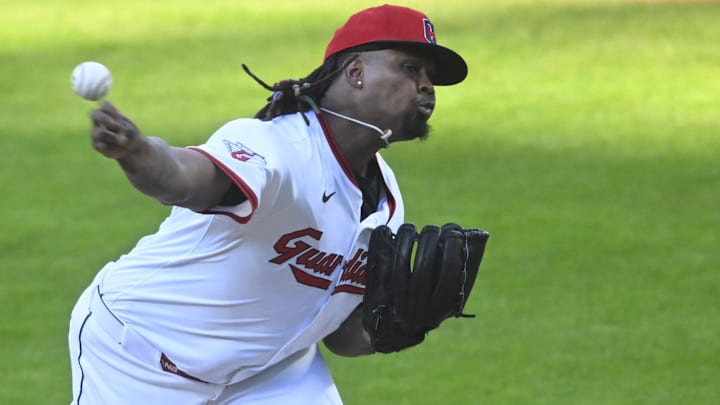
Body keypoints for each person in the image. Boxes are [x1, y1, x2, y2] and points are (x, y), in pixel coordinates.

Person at [68, 4, 468, 404]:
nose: (426, 86)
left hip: (269, 372)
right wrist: (135, 151)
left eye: (430, 77)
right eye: (410, 68)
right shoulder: (277, 147)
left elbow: (342, 335)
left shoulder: (387, 202)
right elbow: (186, 179)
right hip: (139, 353)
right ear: (355, 72)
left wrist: (405, 326)